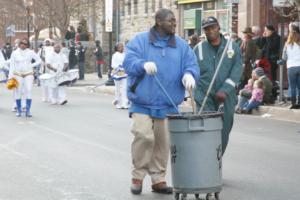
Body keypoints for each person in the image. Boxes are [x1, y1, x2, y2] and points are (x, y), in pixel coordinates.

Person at [123, 8, 200, 195]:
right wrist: (142, 65)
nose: (174, 23)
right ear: (158, 21)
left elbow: (191, 64)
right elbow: (129, 62)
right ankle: (137, 176)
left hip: (167, 103)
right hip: (142, 100)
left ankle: (158, 179)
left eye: (174, 21)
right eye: (170, 21)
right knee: (143, 136)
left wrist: (189, 75)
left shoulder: (181, 46)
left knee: (162, 143)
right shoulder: (140, 41)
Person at [193, 16, 242, 154]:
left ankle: (216, 161)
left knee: (224, 129)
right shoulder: (198, 49)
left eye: (212, 27)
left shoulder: (233, 47)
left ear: (218, 27)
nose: (210, 31)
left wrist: (225, 90)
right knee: (205, 130)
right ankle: (204, 163)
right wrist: (196, 92)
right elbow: (192, 70)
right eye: (206, 29)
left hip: (226, 97)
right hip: (204, 97)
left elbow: (237, 71)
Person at [9, 38, 41, 117]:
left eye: (25, 44)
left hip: (28, 74)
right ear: (19, 44)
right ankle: (19, 110)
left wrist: (31, 65)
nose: (23, 45)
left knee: (29, 90)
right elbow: (12, 65)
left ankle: (28, 110)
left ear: (27, 45)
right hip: (18, 74)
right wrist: (10, 77)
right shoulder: (14, 53)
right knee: (18, 91)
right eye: (22, 43)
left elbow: (39, 60)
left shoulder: (31, 52)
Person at [282, 24, 300, 109]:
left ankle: (293, 103)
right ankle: (299, 102)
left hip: (291, 67)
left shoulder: (287, 44)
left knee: (292, 86)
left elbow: (284, 57)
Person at [111, 42, 129, 109]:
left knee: (124, 88)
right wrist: (118, 66)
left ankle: (125, 103)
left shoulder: (125, 55)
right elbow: (112, 65)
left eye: (122, 46)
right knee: (117, 89)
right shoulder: (115, 55)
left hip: (124, 73)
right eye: (120, 47)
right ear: (117, 48)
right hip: (117, 73)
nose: (122, 48)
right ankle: (117, 103)